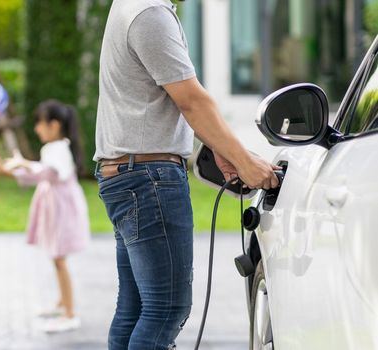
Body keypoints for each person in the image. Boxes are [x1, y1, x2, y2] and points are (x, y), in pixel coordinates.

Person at [94, 1, 280, 349]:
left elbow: (163, 99)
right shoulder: (149, 12)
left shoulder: (130, 6)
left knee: (134, 309)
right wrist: (245, 162)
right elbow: (191, 100)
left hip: (127, 173)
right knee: (166, 309)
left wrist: (226, 152)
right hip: (148, 179)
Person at [0, 100, 91, 333]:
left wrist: (13, 170)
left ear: (54, 125)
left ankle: (70, 313)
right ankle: (63, 302)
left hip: (62, 211)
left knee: (59, 258)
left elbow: (45, 173)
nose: (37, 129)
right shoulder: (54, 147)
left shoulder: (59, 148)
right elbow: (41, 171)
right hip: (57, 208)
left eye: (40, 124)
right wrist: (18, 168)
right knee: (56, 255)